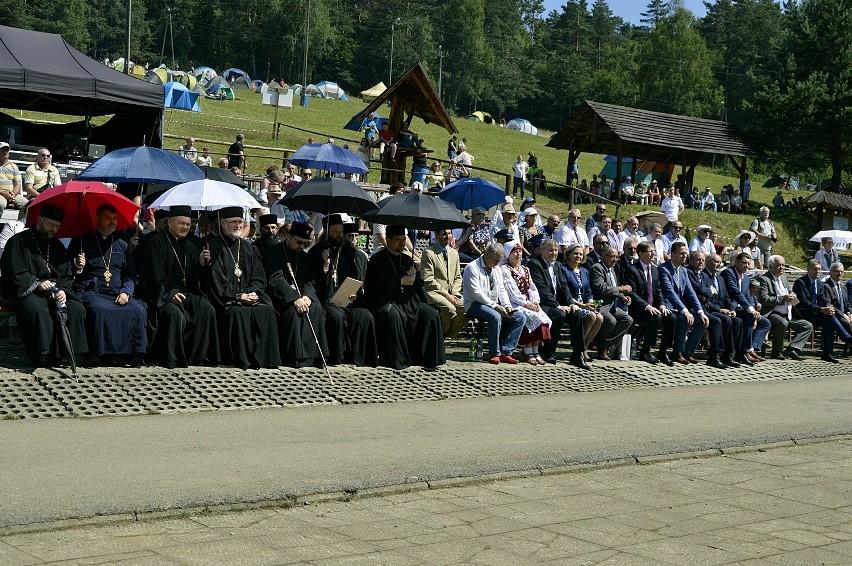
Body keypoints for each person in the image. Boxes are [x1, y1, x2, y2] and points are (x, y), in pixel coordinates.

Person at [0, 203, 89, 367]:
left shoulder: (57, 245)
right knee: (36, 309)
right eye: (51, 225)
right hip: (29, 292)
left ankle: (65, 353)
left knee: (76, 308)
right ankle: (41, 353)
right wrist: (38, 283)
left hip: (53, 291)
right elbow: (15, 273)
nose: (54, 230)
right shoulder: (19, 241)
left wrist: (63, 290)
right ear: (40, 220)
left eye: (57, 226)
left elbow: (66, 274)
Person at [135, 206, 220, 369]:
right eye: (182, 224)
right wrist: (169, 294)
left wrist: (202, 265)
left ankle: (197, 356)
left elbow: (195, 278)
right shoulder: (155, 244)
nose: (185, 228)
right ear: (170, 223)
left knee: (206, 309)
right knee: (174, 314)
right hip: (162, 296)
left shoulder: (191, 246)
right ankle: (172, 358)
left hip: (185, 293)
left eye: (188, 225)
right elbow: (153, 276)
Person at [203, 207, 280, 370]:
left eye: (241, 222)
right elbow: (217, 280)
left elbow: (259, 278)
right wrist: (238, 296)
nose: (238, 225)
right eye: (234, 222)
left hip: (249, 295)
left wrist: (252, 293)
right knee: (237, 313)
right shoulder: (213, 247)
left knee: (266, 310)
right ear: (223, 224)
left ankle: (265, 360)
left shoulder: (248, 247)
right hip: (227, 298)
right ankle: (240, 360)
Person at [70, 204, 146, 367]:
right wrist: (78, 265)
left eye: (114, 219)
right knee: (99, 310)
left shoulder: (122, 244)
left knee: (137, 310)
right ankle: (103, 353)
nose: (112, 222)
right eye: (108, 218)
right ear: (97, 219)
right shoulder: (82, 241)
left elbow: (130, 275)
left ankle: (132, 355)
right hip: (93, 290)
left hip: (117, 291)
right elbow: (69, 272)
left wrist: (126, 292)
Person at [364, 225, 445, 370]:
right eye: (398, 240)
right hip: (388, 302)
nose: (402, 243)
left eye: (404, 239)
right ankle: (398, 360)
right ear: (388, 240)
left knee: (430, 313)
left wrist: (416, 276)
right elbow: (374, 287)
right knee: (392, 316)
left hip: (409, 303)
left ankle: (429, 359)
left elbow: (419, 288)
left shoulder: (408, 260)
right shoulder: (376, 260)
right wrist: (399, 282)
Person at [308, 215, 378, 367]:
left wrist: (354, 293)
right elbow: (312, 282)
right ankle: (337, 357)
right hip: (324, 300)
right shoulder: (316, 252)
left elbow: (354, 278)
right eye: (335, 231)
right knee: (336, 316)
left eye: (341, 231)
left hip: (346, 300)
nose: (339, 234)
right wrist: (325, 267)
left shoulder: (349, 252)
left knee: (364, 315)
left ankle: (359, 357)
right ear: (327, 231)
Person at [264, 221, 328, 368]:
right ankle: (295, 358)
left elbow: (310, 281)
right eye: (299, 242)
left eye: (306, 244)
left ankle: (314, 357)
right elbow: (276, 280)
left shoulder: (305, 258)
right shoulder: (273, 253)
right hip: (281, 297)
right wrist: (294, 298)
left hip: (301, 296)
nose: (302, 246)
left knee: (316, 309)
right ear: (289, 237)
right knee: (293, 312)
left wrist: (307, 296)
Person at [527, 239, 587, 369]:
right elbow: (541, 289)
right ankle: (548, 351)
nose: (554, 253)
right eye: (550, 250)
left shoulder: (558, 265)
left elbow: (564, 287)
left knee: (577, 313)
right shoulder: (535, 264)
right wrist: (557, 305)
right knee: (559, 314)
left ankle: (577, 355)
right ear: (542, 250)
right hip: (542, 304)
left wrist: (571, 303)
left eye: (555, 250)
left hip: (557, 303)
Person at [463, 242, 526, 364]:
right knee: (495, 316)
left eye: (499, 260)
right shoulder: (472, 268)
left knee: (520, 317)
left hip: (493, 303)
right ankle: (494, 353)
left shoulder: (496, 269)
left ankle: (506, 351)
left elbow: (501, 289)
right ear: (487, 254)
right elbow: (477, 293)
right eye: (496, 259)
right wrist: (496, 306)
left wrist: (507, 305)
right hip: (474, 304)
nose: (497, 263)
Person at [623, 241, 677, 365]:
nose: (653, 254)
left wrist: (662, 304)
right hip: (637, 308)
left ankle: (662, 352)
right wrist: (646, 306)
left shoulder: (655, 269)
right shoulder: (631, 270)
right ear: (640, 253)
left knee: (672, 317)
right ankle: (645, 351)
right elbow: (632, 293)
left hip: (654, 307)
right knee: (656, 317)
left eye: (653, 251)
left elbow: (658, 290)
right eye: (650, 251)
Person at [658, 241, 710, 365]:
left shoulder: (683, 271)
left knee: (702, 321)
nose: (684, 256)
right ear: (673, 253)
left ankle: (687, 352)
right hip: (667, 305)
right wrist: (685, 310)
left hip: (680, 307)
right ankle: (677, 353)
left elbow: (690, 292)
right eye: (681, 253)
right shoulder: (664, 269)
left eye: (686, 254)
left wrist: (700, 312)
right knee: (685, 319)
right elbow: (669, 292)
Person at [500, 241, 551, 364]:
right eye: (515, 252)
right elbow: (511, 291)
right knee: (531, 317)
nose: (518, 254)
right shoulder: (505, 270)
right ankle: (527, 350)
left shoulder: (525, 269)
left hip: (529, 302)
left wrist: (535, 301)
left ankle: (535, 349)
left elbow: (532, 288)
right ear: (508, 254)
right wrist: (526, 303)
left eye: (520, 252)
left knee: (543, 318)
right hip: (514, 303)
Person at [792, 259, 852, 363]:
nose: (817, 271)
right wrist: (821, 309)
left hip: (816, 313)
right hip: (803, 313)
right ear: (808, 269)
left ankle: (827, 353)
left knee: (829, 318)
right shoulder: (800, 282)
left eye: (819, 269)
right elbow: (803, 302)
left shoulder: (819, 283)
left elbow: (823, 300)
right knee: (829, 317)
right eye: (814, 269)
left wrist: (827, 308)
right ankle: (847, 338)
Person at [757, 254, 812, 361]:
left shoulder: (783, 278)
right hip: (772, 313)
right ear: (770, 267)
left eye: (783, 265)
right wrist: (783, 298)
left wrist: (793, 294)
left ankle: (793, 349)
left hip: (789, 313)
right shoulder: (764, 279)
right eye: (779, 265)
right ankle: (776, 351)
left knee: (807, 325)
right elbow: (764, 299)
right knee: (782, 323)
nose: (782, 267)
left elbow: (789, 291)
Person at [719, 252, 770, 365]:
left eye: (748, 263)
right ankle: (744, 352)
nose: (746, 266)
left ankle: (751, 349)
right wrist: (750, 310)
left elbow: (748, 296)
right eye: (743, 262)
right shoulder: (728, 273)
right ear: (736, 262)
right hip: (729, 307)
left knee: (765, 322)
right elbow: (734, 292)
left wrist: (754, 311)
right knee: (748, 317)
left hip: (742, 308)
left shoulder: (746, 278)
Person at [683, 250, 731, 368]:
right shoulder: (688, 272)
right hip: (691, 307)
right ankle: (713, 356)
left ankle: (727, 354)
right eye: (698, 259)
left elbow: (708, 293)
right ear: (691, 260)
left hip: (704, 308)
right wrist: (709, 291)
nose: (701, 262)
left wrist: (708, 292)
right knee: (716, 322)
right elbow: (699, 289)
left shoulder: (703, 275)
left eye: (703, 260)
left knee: (727, 320)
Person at [589, 244, 633, 360]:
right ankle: (596, 342)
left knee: (627, 319)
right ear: (603, 256)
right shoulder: (597, 268)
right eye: (612, 256)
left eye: (617, 257)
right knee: (611, 320)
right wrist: (621, 289)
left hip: (611, 304)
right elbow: (602, 288)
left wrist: (622, 296)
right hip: (598, 303)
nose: (615, 260)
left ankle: (604, 344)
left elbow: (612, 287)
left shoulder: (611, 269)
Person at [421, 228, 468, 338]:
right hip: (433, 292)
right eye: (443, 234)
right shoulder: (428, 253)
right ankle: (439, 336)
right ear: (437, 236)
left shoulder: (454, 253)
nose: (447, 236)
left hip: (452, 293)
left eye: (449, 233)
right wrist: (447, 295)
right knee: (450, 309)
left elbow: (457, 277)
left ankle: (446, 334)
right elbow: (428, 279)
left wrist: (455, 293)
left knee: (468, 308)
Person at [824, 262, 852, 342]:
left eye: (841, 272)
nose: (839, 273)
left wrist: (850, 314)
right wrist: (843, 315)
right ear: (830, 272)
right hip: (834, 315)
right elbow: (828, 305)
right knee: (849, 326)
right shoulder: (826, 286)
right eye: (837, 271)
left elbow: (847, 304)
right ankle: (849, 341)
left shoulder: (843, 287)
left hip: (845, 315)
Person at [0, 142, 27, 214]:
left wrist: (13, 194)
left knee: (26, 204)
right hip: (0, 194)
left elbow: (18, 183)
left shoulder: (13, 166)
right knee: (1, 204)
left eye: (7, 150)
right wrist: (3, 193)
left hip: (11, 194)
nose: (5, 152)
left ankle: (19, 224)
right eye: (3, 150)